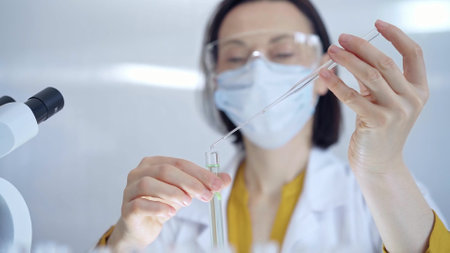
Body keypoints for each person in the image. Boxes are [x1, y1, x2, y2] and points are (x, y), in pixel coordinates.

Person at [98, 0, 450, 252]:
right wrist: (123, 245)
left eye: (282, 53)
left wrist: (382, 169)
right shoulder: (171, 208)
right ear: (216, 80)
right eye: (235, 58)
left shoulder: (383, 197)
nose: (258, 74)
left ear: (323, 75)